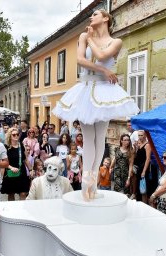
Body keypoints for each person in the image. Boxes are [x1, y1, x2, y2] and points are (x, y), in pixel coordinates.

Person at [52, 9, 139, 201]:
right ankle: (86, 182)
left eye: (96, 14)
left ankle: (94, 183)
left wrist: (92, 40)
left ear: (106, 18)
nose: (91, 17)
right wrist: (102, 69)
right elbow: (81, 60)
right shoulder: (84, 35)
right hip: (85, 88)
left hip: (104, 90)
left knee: (100, 138)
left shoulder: (116, 41)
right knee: (88, 136)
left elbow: (101, 54)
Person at [0, 128, 32, 201]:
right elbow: (3, 161)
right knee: (11, 194)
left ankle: (22, 209)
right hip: (10, 172)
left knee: (23, 193)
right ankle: (12, 210)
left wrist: (30, 169)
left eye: (17, 134)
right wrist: (11, 168)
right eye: (14, 135)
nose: (16, 136)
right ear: (10, 136)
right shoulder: (6, 147)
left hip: (21, 171)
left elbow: (25, 159)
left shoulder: (21, 145)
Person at [132, 131, 152, 202]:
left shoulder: (147, 145)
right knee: (138, 187)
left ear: (145, 136)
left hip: (143, 169)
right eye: (139, 135)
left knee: (143, 188)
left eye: (141, 135)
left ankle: (144, 204)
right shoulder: (139, 144)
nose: (140, 137)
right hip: (138, 168)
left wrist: (144, 171)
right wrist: (135, 147)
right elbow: (135, 156)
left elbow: (148, 159)